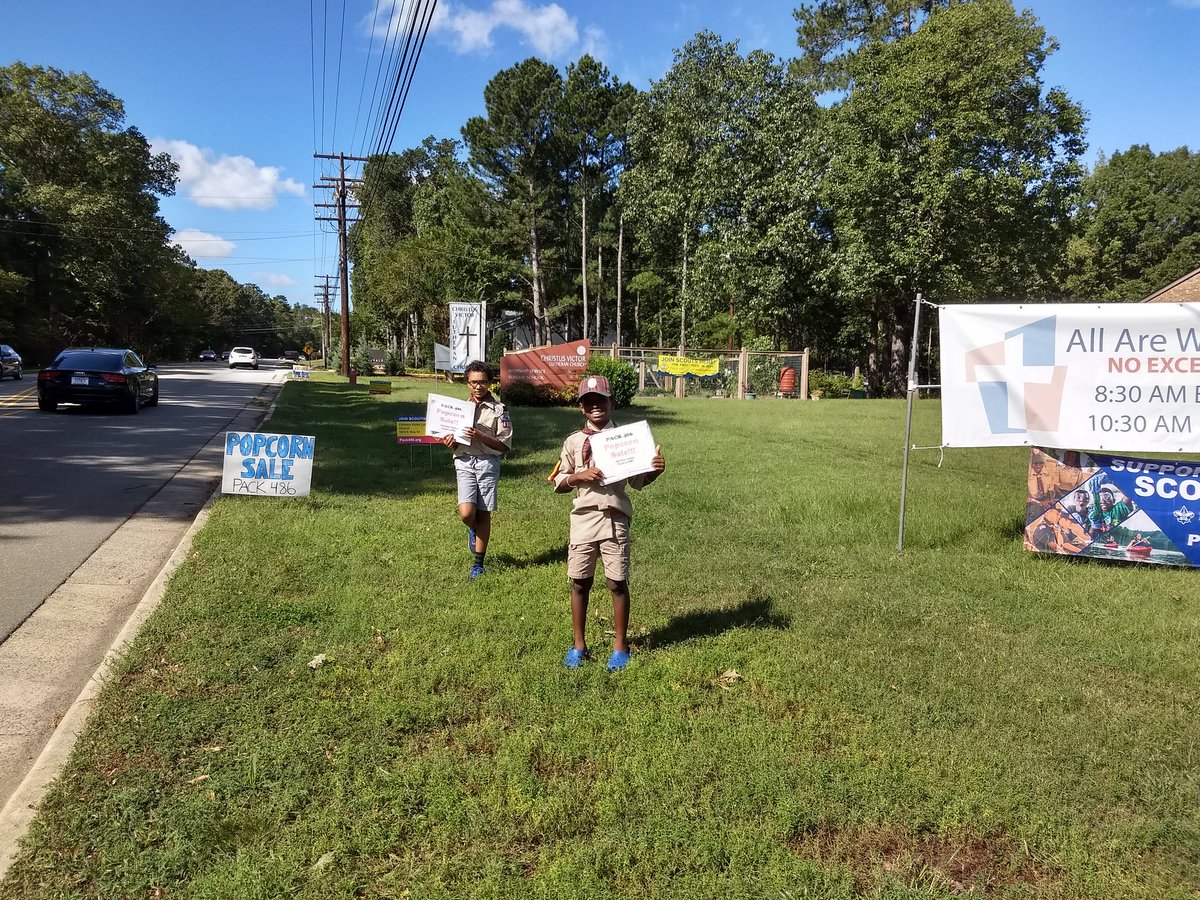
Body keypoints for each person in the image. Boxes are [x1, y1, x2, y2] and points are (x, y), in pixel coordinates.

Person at [552, 375, 665, 672]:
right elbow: (560, 482)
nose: (595, 406)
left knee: (616, 581)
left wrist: (654, 471)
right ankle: (578, 644)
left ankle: (620, 645)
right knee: (579, 581)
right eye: (588, 402)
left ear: (612, 403)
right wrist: (578, 476)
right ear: (581, 408)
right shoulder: (574, 442)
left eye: (601, 400)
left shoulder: (627, 440)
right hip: (583, 520)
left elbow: (639, 480)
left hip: (615, 518)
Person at [442, 360, 512, 579]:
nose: (478, 387)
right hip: (464, 461)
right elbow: (455, 443)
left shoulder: (499, 410)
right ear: (467, 383)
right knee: (466, 513)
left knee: (484, 513)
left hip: (487, 463)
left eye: (483, 382)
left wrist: (480, 435)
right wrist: (449, 442)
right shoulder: (459, 410)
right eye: (473, 382)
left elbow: (504, 445)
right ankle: (472, 528)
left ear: (490, 383)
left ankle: (478, 564)